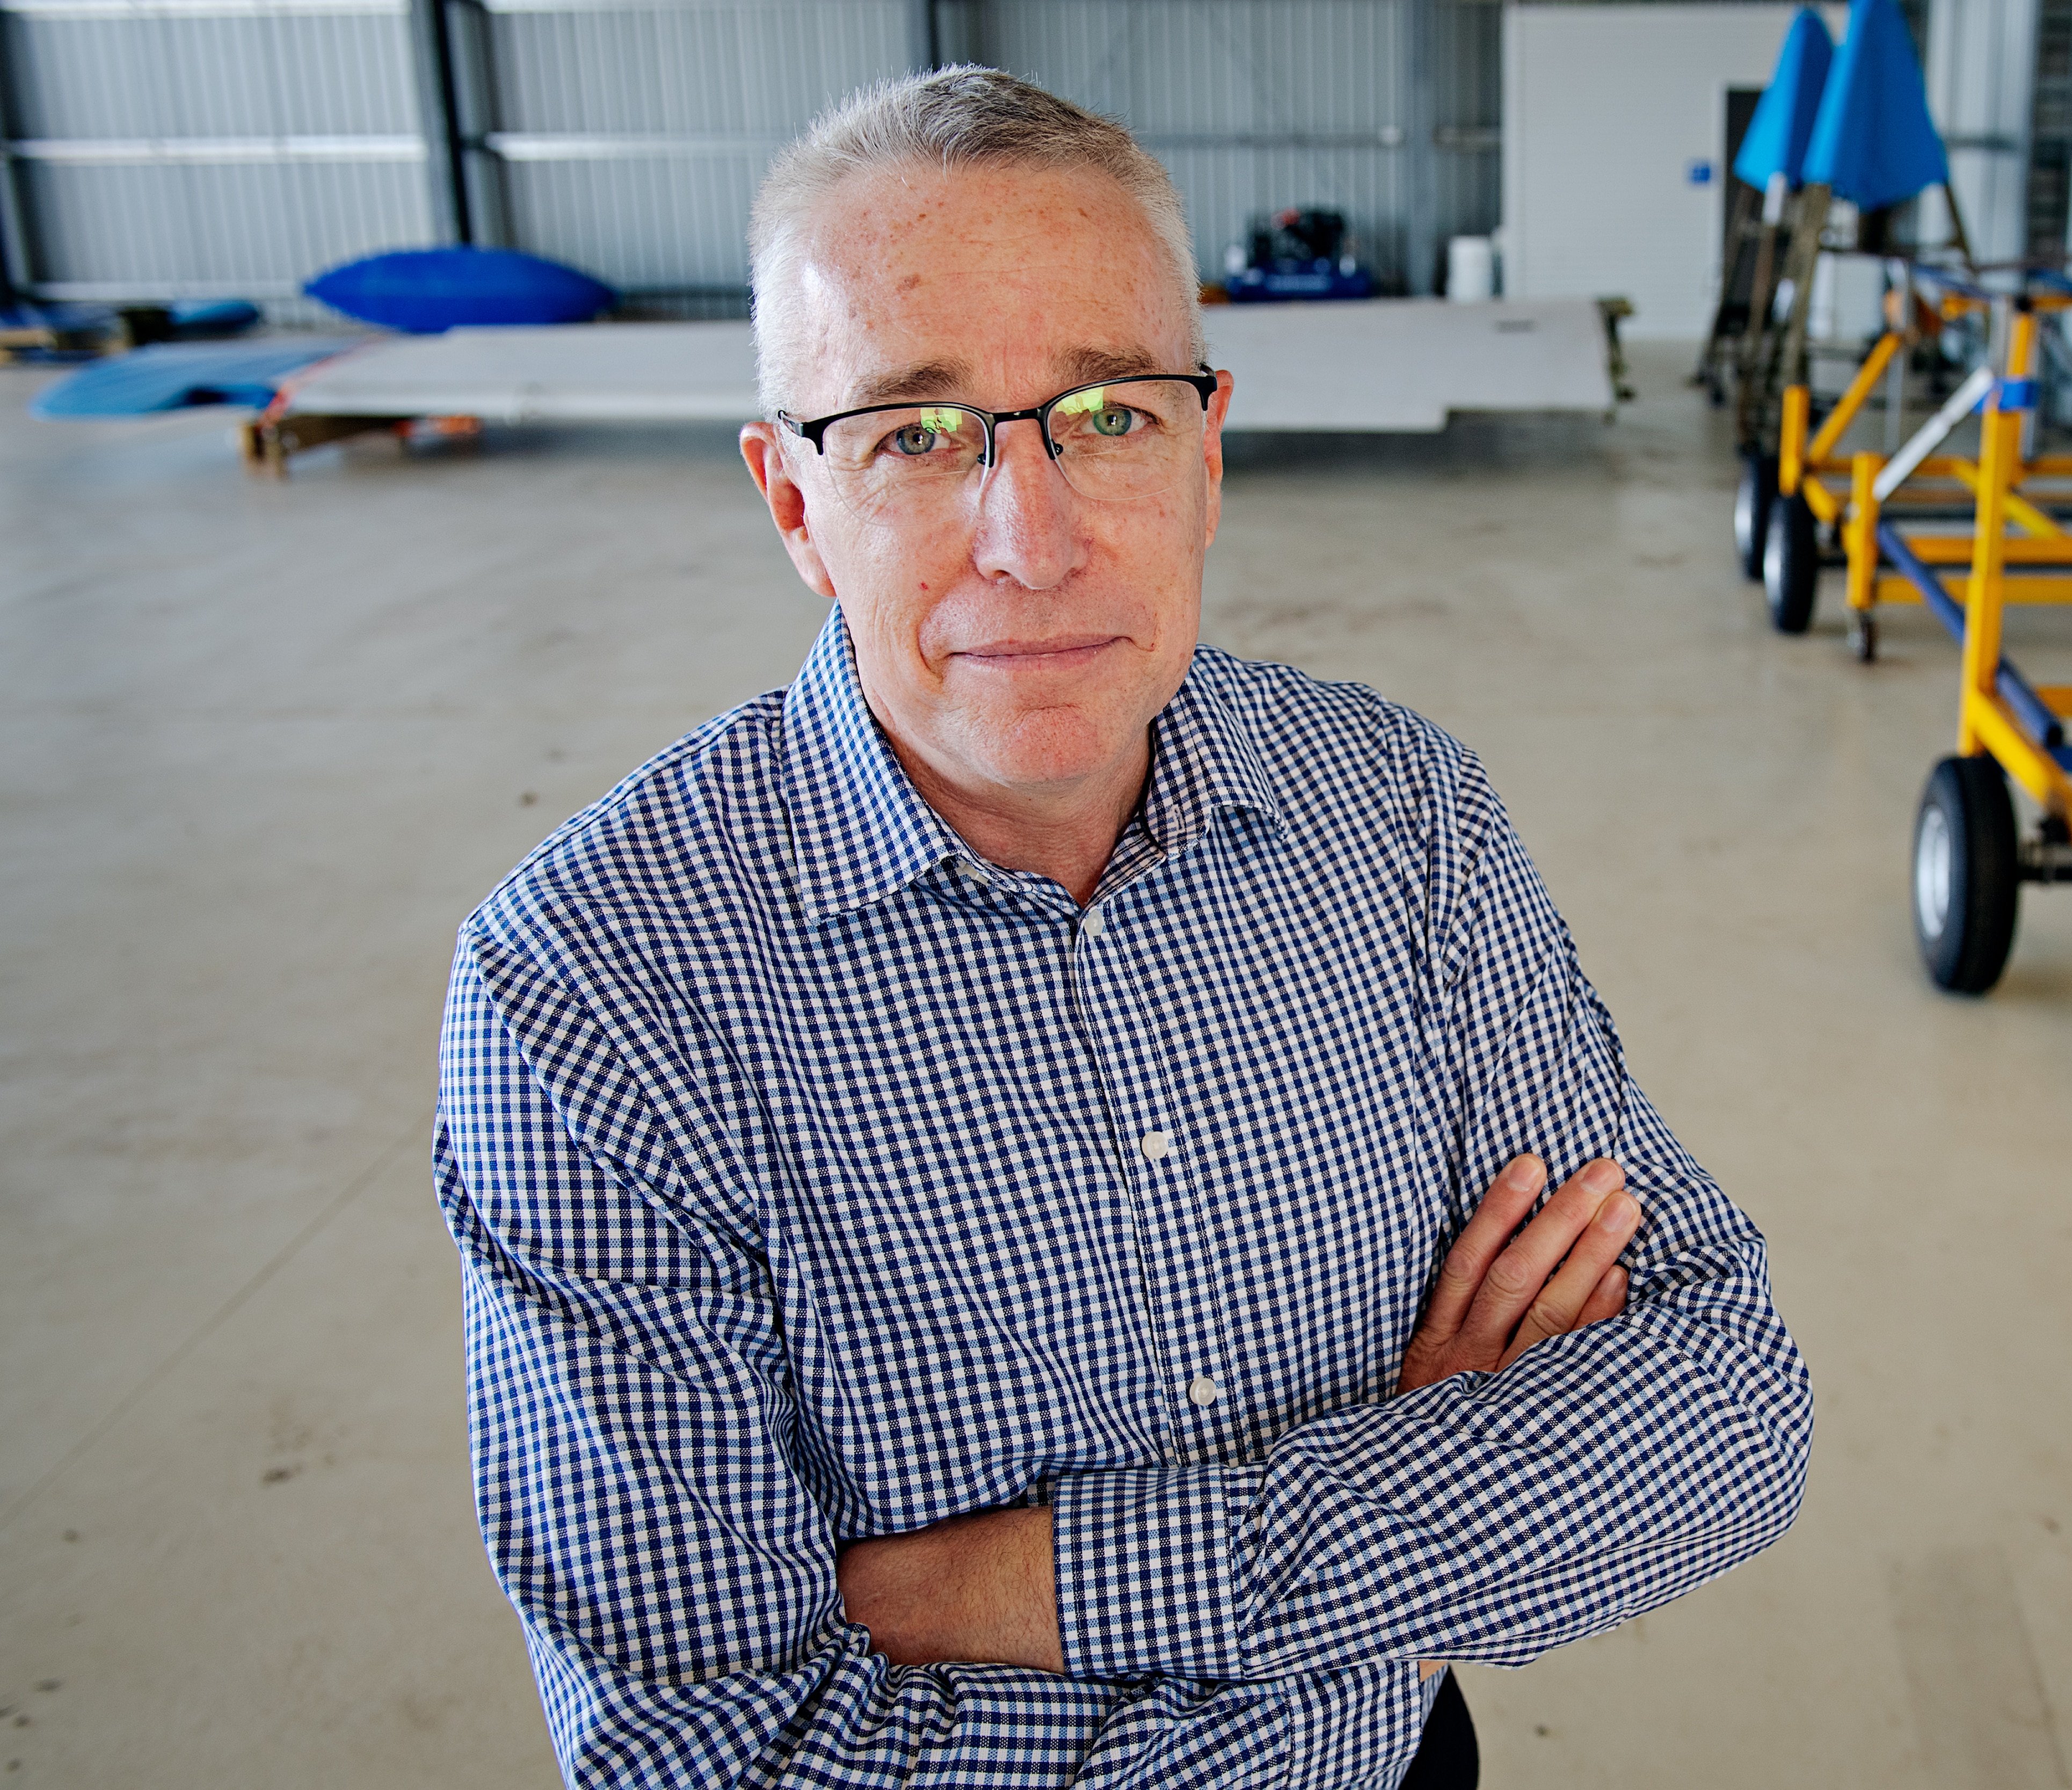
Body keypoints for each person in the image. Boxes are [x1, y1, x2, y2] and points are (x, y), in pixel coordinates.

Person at [433, 66, 1811, 1789]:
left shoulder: (1398, 814)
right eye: (914, 437)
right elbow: (715, 1759)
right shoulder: (591, 994)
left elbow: (1726, 1414)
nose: (1034, 540)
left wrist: (1040, 1584)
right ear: (796, 506)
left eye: (1110, 416)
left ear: (1207, 451)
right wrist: (1417, 1504)